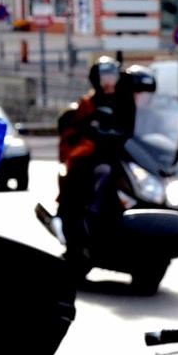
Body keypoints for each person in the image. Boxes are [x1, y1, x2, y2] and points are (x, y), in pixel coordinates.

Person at [57, 56, 134, 259]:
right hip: (93, 158)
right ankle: (85, 216)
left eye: (112, 76)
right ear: (95, 80)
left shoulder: (125, 102)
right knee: (95, 175)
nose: (108, 82)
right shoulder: (89, 103)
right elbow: (75, 123)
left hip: (120, 156)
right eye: (104, 77)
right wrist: (95, 132)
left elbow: (133, 129)